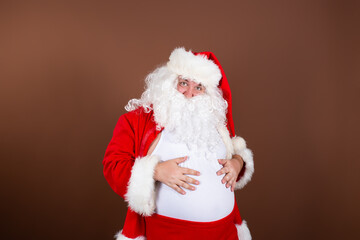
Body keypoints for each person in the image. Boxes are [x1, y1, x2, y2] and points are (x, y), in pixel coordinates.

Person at [103, 47, 254, 240]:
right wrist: (155, 171)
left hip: (224, 232)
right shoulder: (137, 121)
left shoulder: (214, 121)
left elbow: (234, 153)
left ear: (208, 93)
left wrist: (238, 162)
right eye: (184, 83)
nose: (189, 93)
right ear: (169, 82)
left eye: (198, 87)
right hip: (168, 233)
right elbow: (112, 165)